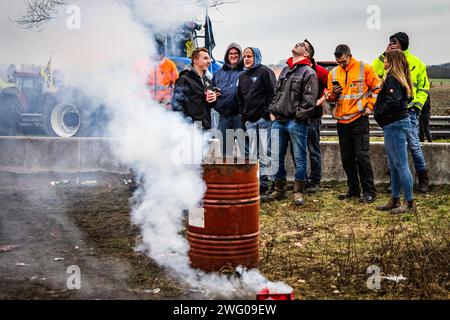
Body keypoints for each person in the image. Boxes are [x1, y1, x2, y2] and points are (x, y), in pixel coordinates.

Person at [372, 32, 430, 192]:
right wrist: (384, 54)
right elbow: (373, 71)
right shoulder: (387, 60)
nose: (391, 44)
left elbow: (424, 88)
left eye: (394, 42)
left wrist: (416, 107)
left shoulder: (417, 62)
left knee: (413, 145)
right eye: (389, 42)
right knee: (393, 149)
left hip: (408, 111)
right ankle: (395, 183)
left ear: (403, 43)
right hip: (392, 113)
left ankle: (423, 180)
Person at [264, 41, 318, 206]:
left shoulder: (309, 73)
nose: (298, 44)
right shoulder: (286, 70)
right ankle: (279, 189)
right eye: (298, 42)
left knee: (300, 158)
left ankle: (298, 192)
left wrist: (297, 117)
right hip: (278, 121)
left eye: (302, 45)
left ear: (307, 53)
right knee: (276, 156)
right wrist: (272, 112)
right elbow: (276, 93)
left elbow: (309, 101)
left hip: (296, 123)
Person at [326, 44, 381, 203]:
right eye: (338, 62)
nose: (341, 64)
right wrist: (332, 94)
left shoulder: (365, 68)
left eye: (343, 61)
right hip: (342, 121)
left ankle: (369, 192)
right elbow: (330, 97)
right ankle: (354, 190)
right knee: (347, 158)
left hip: (359, 119)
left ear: (349, 56)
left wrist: (370, 106)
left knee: (362, 156)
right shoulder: (334, 73)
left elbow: (378, 87)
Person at [374, 49, 417, 214]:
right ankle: (394, 199)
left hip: (395, 125)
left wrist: (380, 113)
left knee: (400, 164)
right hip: (396, 124)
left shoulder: (392, 78)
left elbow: (393, 100)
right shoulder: (400, 78)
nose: (383, 62)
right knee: (394, 165)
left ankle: (409, 203)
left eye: (385, 60)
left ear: (391, 62)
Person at [237, 47, 277, 193]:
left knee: (265, 152)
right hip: (250, 121)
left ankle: (268, 185)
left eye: (250, 56)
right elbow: (240, 98)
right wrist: (244, 116)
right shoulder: (242, 76)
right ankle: (257, 184)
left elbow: (274, 94)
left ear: (257, 57)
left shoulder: (265, 72)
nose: (246, 59)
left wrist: (267, 113)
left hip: (264, 120)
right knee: (253, 154)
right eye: (245, 56)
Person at [303, 39, 329, 194]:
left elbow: (329, 89)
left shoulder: (320, 71)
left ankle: (315, 181)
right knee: (299, 150)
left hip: (313, 116)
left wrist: (319, 102)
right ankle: (302, 180)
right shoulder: (293, 69)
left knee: (313, 149)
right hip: (298, 117)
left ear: (308, 53)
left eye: (303, 47)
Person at [172, 47, 218, 130]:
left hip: (206, 127)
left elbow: (209, 104)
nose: (209, 61)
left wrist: (214, 98)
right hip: (190, 128)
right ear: (195, 61)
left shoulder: (207, 80)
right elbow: (176, 106)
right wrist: (185, 125)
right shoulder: (184, 79)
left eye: (209, 59)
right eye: (205, 58)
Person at [212, 43, 246, 156]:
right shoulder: (219, 73)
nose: (233, 55)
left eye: (236, 53)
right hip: (224, 117)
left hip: (240, 117)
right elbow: (211, 90)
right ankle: (228, 173)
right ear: (227, 55)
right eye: (231, 53)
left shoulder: (245, 73)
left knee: (245, 150)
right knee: (225, 152)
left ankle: (246, 173)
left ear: (240, 55)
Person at [132, 38, 179, 108]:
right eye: (156, 55)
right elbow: (133, 86)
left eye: (161, 56)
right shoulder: (139, 64)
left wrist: (172, 102)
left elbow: (178, 86)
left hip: (165, 105)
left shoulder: (170, 64)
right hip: (145, 105)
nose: (159, 58)